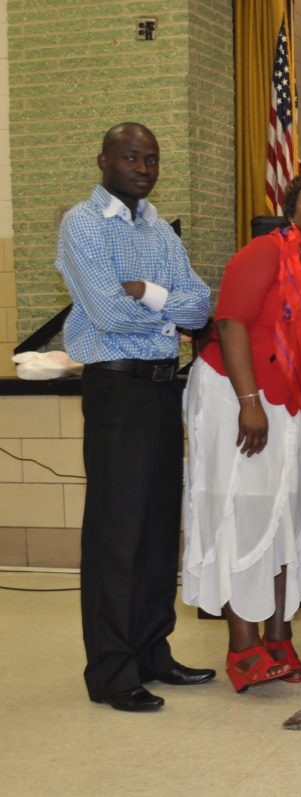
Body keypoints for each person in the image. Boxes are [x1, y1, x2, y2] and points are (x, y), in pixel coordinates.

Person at [56, 122, 213, 712]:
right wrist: (168, 312)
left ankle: (152, 652)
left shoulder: (159, 230)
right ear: (103, 161)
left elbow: (201, 305)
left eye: (151, 158)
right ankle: (112, 669)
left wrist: (147, 292)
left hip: (161, 390)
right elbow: (105, 311)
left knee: (155, 529)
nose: (143, 168)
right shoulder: (83, 223)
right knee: (117, 533)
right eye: (130, 157)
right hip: (116, 390)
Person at [183, 169, 301, 692]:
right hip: (236, 394)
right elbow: (230, 323)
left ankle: (278, 636)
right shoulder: (263, 252)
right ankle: (242, 645)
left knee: (284, 515)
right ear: (291, 209)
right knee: (240, 512)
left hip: (289, 403)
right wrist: (248, 402)